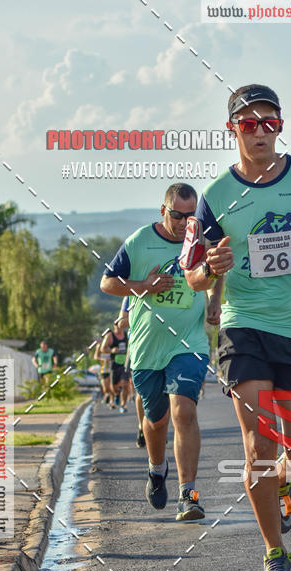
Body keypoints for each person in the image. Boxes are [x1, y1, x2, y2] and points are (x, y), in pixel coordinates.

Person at [183, 84, 291, 571]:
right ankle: (274, 552)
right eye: (249, 123)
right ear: (232, 129)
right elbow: (191, 274)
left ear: (280, 126)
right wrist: (209, 268)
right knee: (257, 443)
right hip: (244, 327)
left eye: (270, 122)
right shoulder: (215, 196)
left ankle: (283, 480)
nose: (260, 131)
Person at [100, 183, 220, 521]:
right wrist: (142, 286)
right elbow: (107, 282)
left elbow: (217, 269)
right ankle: (156, 469)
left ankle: (188, 495)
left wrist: (214, 300)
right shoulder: (139, 241)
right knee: (156, 421)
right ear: (164, 211)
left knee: (184, 412)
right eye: (178, 215)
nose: (185, 223)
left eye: (191, 216)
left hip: (189, 343)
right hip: (147, 347)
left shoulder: (201, 240)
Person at [117, 297, 146, 447]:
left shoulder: (166, 287)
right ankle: (142, 427)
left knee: (165, 392)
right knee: (141, 390)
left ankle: (159, 429)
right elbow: (121, 322)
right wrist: (144, 316)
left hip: (165, 344)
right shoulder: (131, 294)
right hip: (139, 345)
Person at [100, 320, 131, 412]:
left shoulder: (126, 335)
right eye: (117, 324)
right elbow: (102, 349)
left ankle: (123, 405)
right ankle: (116, 394)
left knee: (125, 384)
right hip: (114, 364)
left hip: (125, 363)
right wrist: (112, 350)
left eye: (121, 323)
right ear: (114, 325)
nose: (119, 326)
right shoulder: (110, 336)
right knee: (113, 387)